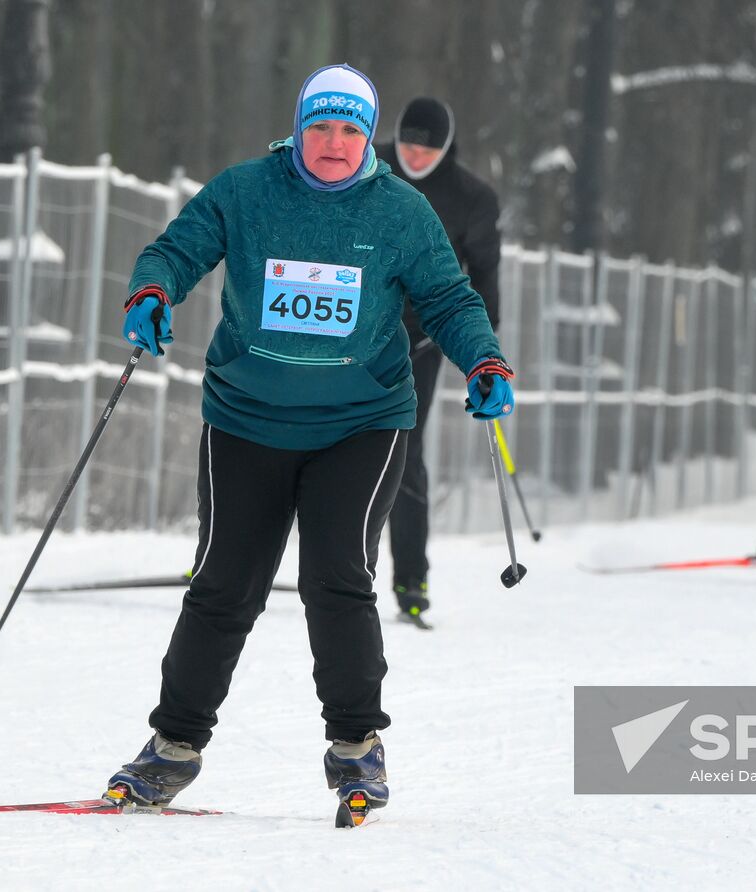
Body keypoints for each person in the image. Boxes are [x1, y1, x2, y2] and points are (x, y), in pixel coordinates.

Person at [102, 64, 514, 825]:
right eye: (320, 127)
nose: (334, 143)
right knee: (225, 586)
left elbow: (450, 297)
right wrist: (151, 291)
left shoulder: (400, 211)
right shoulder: (246, 190)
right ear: (298, 128)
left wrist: (483, 358)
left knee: (337, 580)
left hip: (362, 424)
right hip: (247, 418)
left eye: (351, 129)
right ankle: (172, 749)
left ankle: (357, 749)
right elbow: (176, 248)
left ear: (369, 138)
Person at [375, 96, 502, 627]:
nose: (415, 156)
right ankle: (245, 561)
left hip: (418, 342)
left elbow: (485, 279)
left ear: (447, 147)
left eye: (427, 148)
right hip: (346, 328)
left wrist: (482, 357)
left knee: (401, 451)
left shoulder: (472, 199)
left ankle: (411, 578)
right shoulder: (366, 164)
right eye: (407, 144)